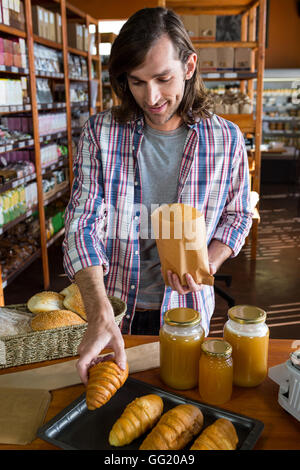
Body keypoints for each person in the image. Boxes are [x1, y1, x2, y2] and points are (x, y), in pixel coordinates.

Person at [62, 7, 253, 385]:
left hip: (187, 312)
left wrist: (207, 264)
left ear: (189, 65)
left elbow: (238, 216)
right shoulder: (101, 134)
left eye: (163, 79)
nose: (152, 97)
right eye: (136, 82)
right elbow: (81, 225)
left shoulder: (226, 139)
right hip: (113, 310)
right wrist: (99, 311)